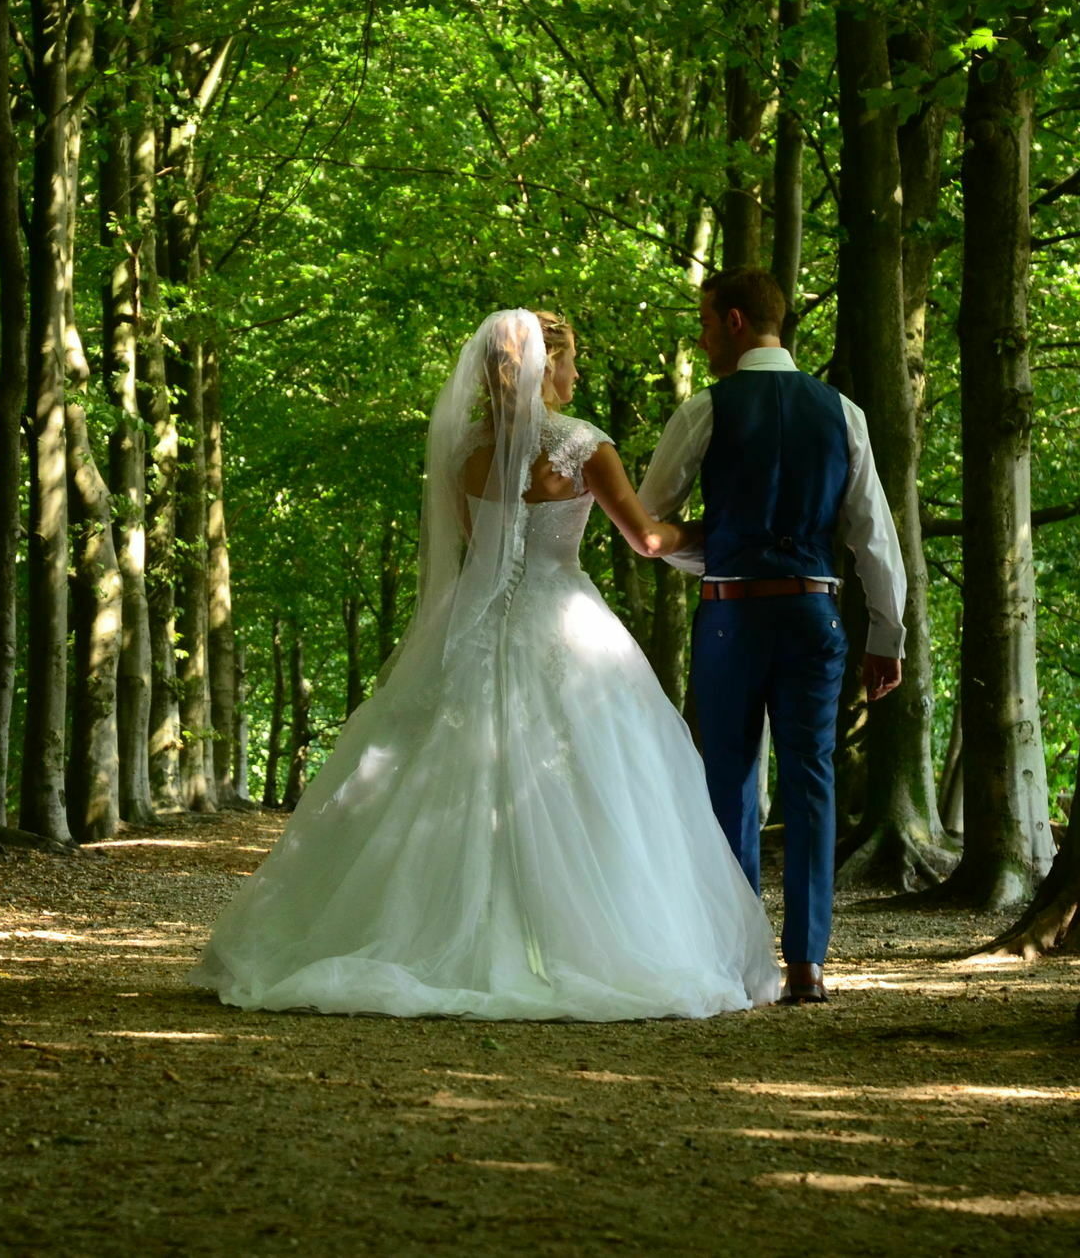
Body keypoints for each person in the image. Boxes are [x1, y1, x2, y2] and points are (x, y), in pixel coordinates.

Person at [191, 309, 778, 1019]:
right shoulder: (585, 447)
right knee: (599, 783)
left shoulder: (462, 450)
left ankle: (421, 936)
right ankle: (587, 942)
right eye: (570, 361)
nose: (577, 374)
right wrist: (732, 538)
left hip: (472, 622)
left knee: (444, 773)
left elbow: (471, 547)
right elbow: (649, 540)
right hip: (564, 623)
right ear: (544, 367)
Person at [639, 268, 907, 1005]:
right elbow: (873, 537)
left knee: (728, 778)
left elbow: (651, 523)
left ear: (731, 321)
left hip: (731, 613)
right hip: (815, 613)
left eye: (702, 321)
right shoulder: (843, 413)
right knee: (812, 780)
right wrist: (889, 634)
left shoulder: (706, 409)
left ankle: (738, 958)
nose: (699, 337)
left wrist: (721, 554)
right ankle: (807, 965)